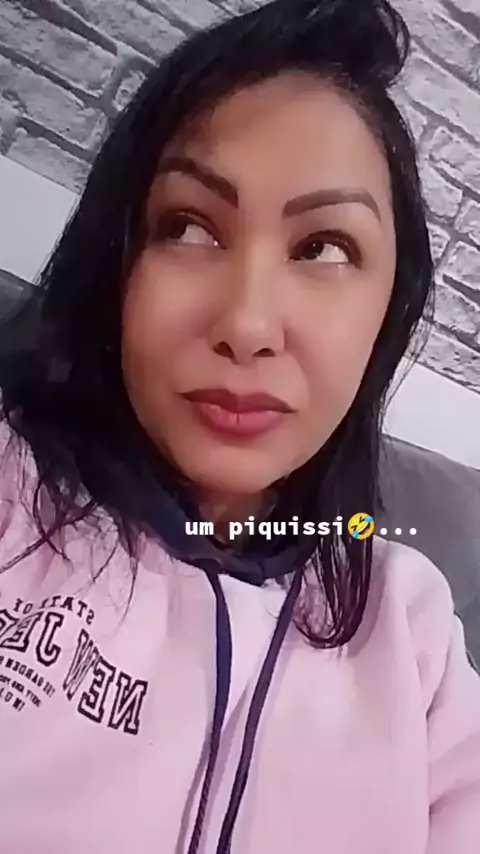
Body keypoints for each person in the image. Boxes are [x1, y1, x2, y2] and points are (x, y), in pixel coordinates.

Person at [0, 0, 479, 851]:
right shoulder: (12, 490)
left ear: (387, 315)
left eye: (324, 248)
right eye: (188, 228)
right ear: (119, 264)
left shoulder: (414, 638)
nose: (248, 324)